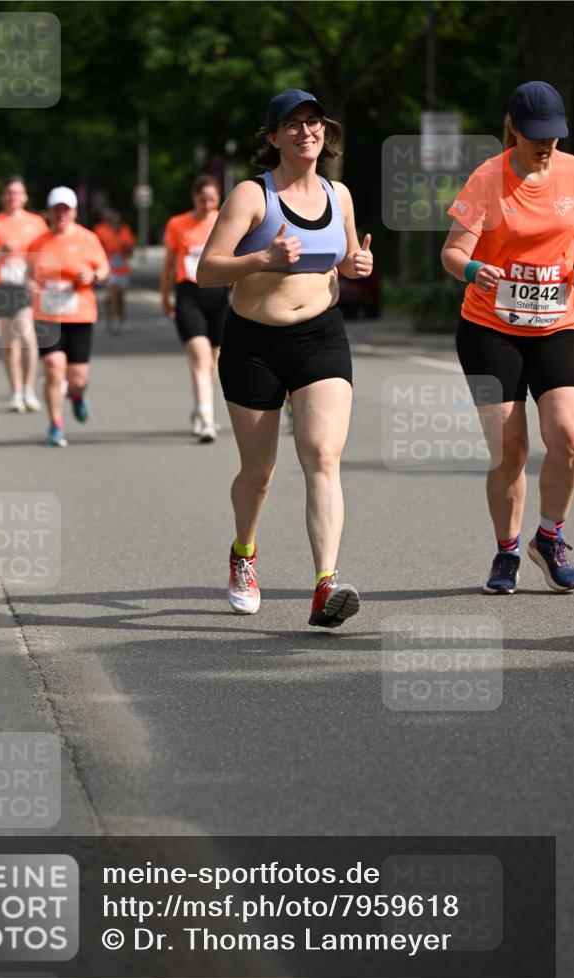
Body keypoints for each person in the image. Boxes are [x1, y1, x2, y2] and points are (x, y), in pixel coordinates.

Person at [197, 89, 373, 627]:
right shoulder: (252, 196)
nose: (305, 132)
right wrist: (261, 259)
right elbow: (207, 270)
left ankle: (326, 585)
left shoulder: (337, 193)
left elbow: (343, 260)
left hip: (321, 337)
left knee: (322, 455)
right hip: (255, 343)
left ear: (326, 132)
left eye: (314, 122)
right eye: (292, 125)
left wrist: (357, 264)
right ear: (272, 138)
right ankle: (244, 553)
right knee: (259, 472)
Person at [442, 81, 574, 593]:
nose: (547, 146)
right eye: (537, 135)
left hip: (558, 324)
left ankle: (550, 537)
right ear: (513, 129)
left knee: (567, 437)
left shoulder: (571, 173)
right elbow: (452, 253)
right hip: (487, 329)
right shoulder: (487, 180)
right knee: (511, 450)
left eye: (555, 136)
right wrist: (475, 268)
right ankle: (506, 551)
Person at [26, 186, 109, 447]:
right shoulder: (38, 243)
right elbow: (28, 274)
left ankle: (76, 395)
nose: (61, 214)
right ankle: (55, 424)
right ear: (50, 211)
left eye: (66, 209)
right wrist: (29, 284)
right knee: (53, 368)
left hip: (80, 314)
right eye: (57, 209)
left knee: (78, 377)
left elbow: (104, 268)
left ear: (73, 211)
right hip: (47, 315)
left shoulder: (88, 239)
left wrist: (93, 276)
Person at [161, 175, 229, 443]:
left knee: (213, 360)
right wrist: (165, 297)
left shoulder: (224, 221)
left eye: (212, 199)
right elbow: (168, 264)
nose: (207, 204)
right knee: (201, 358)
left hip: (219, 296)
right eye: (202, 199)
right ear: (194, 197)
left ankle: (202, 406)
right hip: (189, 294)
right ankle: (206, 418)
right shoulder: (178, 224)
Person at [0, 176, 48, 412]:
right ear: (3, 196)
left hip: (25, 286)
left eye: (17, 193)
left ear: (25, 196)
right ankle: (16, 391)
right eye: (9, 193)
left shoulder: (36, 223)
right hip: (2, 286)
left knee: (26, 335)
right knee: (9, 343)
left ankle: (29, 389)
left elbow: (46, 253)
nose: (13, 197)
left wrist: (39, 277)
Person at [93, 209, 136, 333]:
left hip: (123, 269)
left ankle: (119, 314)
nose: (114, 223)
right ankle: (113, 320)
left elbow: (131, 251)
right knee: (113, 293)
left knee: (119, 297)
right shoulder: (101, 230)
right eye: (112, 221)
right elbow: (96, 247)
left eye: (117, 221)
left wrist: (125, 247)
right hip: (109, 269)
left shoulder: (125, 231)